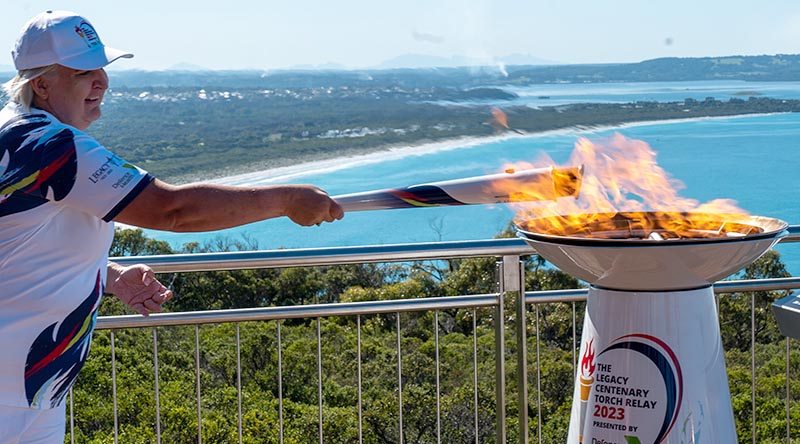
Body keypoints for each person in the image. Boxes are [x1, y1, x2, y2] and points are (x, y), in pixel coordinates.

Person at [0, 10, 344, 442]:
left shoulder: (19, 134)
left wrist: (107, 276)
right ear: (42, 83)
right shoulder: (42, 144)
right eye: (83, 71)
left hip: (34, 384)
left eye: (101, 69)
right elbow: (172, 210)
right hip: (10, 386)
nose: (102, 81)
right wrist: (287, 200)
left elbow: (22, 245)